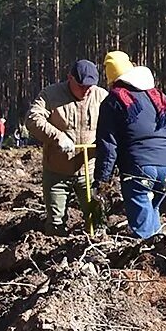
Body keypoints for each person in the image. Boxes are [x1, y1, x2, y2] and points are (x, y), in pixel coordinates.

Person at [92, 50, 166, 240]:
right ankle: (159, 255)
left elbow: (108, 146)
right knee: (153, 210)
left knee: (142, 227)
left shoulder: (113, 102)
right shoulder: (159, 97)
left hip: (139, 168)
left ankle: (146, 259)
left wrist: (102, 180)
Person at [26, 60, 109, 233]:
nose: (86, 91)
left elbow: (115, 124)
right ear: (70, 78)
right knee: (56, 224)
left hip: (89, 170)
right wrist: (57, 136)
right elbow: (33, 119)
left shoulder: (101, 96)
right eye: (81, 86)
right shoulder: (50, 95)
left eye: (90, 86)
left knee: (97, 222)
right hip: (57, 170)